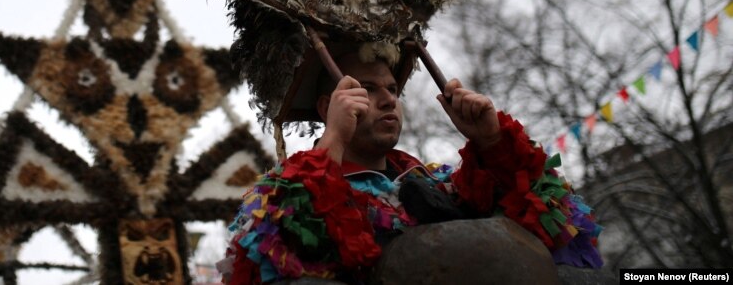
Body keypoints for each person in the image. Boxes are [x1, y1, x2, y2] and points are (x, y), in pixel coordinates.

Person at [220, 43, 602, 284]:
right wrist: (334, 139)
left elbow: (554, 225)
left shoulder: (440, 183)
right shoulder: (278, 191)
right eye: (368, 89)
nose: (388, 100)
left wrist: (492, 141)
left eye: (393, 89)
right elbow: (279, 253)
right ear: (328, 106)